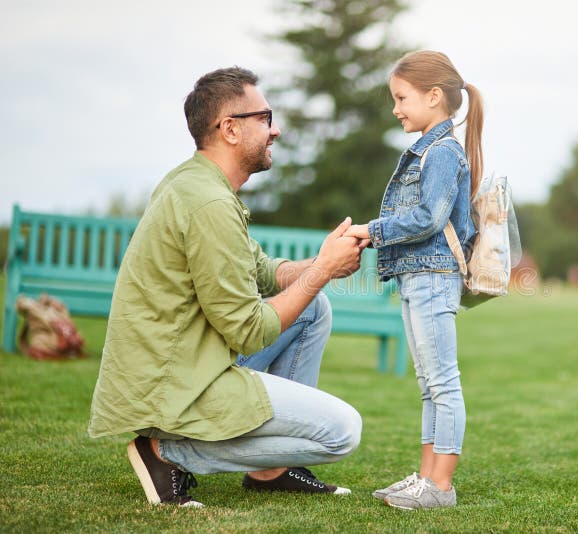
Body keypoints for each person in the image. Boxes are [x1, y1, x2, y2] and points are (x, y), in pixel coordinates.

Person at [88, 67, 367, 508]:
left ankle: (271, 470)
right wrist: (322, 273)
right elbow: (249, 332)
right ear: (230, 129)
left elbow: (259, 268)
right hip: (175, 384)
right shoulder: (210, 202)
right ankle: (166, 452)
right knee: (342, 432)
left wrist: (322, 261)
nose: (275, 130)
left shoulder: (194, 181)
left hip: (187, 364)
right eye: (264, 117)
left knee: (315, 310)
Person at [344, 50, 484, 509]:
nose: (396, 108)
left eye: (401, 98)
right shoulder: (429, 148)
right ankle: (427, 478)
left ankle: (441, 486)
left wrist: (373, 230)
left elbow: (427, 218)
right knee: (428, 383)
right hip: (416, 277)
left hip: (432, 276)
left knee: (442, 382)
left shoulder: (442, 152)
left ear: (434, 96)